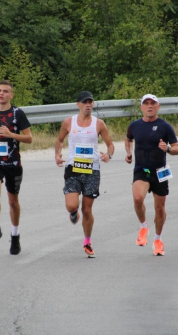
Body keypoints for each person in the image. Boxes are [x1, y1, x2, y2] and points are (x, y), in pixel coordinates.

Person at [55, 91, 115, 258]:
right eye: (85, 102)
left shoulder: (99, 124)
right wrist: (58, 154)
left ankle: (87, 242)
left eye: (90, 102)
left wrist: (108, 155)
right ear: (78, 104)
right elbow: (59, 140)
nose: (88, 104)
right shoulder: (69, 122)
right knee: (72, 206)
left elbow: (110, 145)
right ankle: (73, 213)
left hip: (92, 170)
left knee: (87, 210)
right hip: (73, 168)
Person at [0, 80, 32, 255]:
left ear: (11, 95)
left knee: (13, 202)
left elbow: (29, 138)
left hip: (13, 164)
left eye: (5, 91)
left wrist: (11, 135)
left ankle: (15, 235)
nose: (1, 94)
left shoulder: (18, 114)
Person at [125, 94, 178, 256]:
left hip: (160, 171)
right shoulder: (134, 126)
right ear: (141, 107)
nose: (149, 106)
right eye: (146, 103)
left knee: (160, 209)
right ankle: (143, 227)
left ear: (158, 107)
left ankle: (158, 239)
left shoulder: (165, 127)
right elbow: (128, 139)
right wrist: (128, 153)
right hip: (142, 170)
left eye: (153, 103)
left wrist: (168, 149)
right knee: (137, 199)